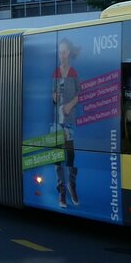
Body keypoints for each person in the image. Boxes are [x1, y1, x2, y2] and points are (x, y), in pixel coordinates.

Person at [53, 37, 81, 207]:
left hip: (69, 119)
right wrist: (54, 97)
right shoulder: (56, 72)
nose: (61, 55)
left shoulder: (73, 73)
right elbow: (53, 94)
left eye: (64, 52)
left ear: (68, 53)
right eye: (60, 52)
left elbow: (80, 93)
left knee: (70, 154)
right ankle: (61, 191)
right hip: (57, 120)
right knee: (58, 156)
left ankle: (72, 185)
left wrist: (70, 105)